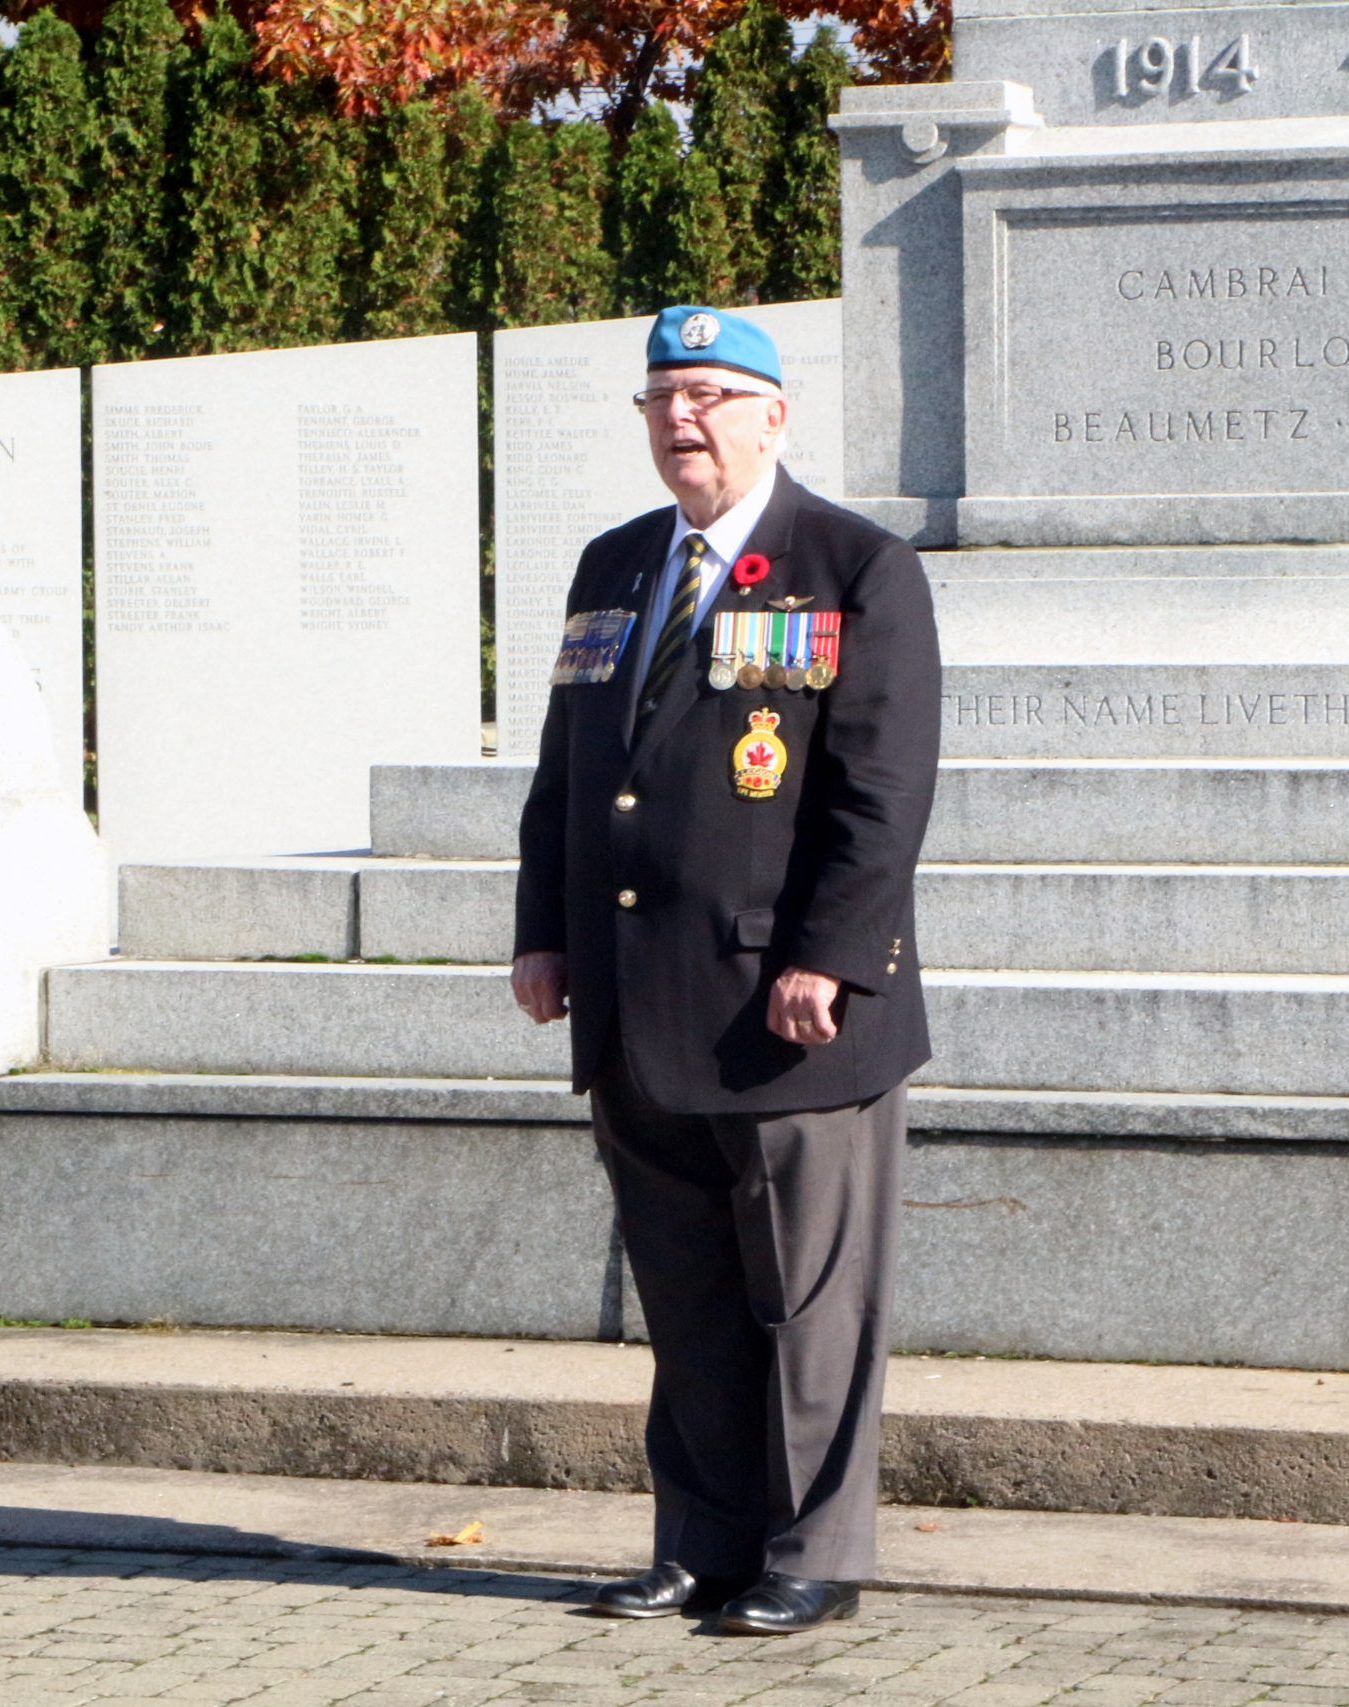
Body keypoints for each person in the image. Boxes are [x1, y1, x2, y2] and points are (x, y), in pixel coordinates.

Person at [510, 305, 941, 1636]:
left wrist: (829, 957)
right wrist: (544, 929)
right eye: (660, 400)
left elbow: (879, 791)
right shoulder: (618, 564)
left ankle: (812, 1552)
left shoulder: (855, 566)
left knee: (812, 1305)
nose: (682, 422)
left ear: (772, 414)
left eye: (707, 395)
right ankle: (699, 1541)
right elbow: (569, 772)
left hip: (784, 1012)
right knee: (686, 1295)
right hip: (639, 1003)